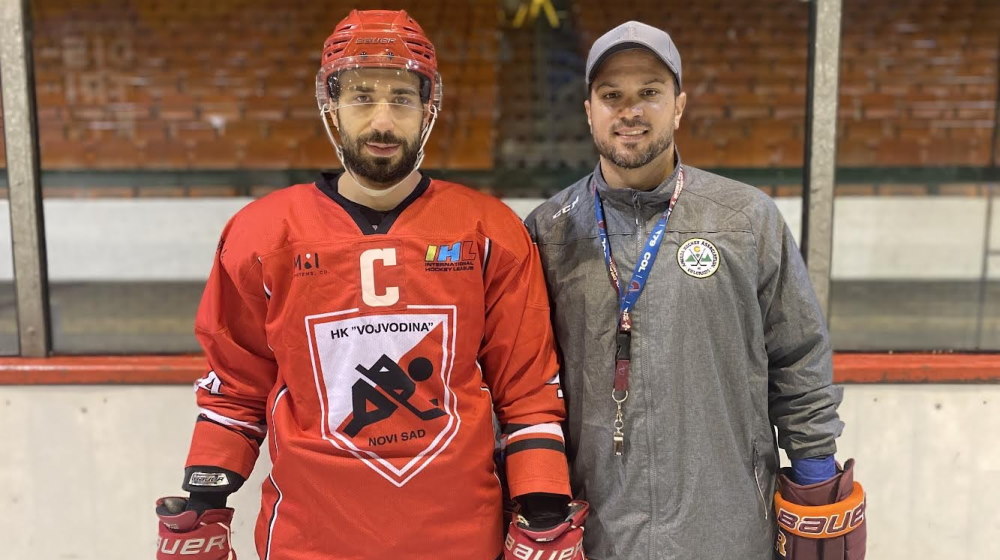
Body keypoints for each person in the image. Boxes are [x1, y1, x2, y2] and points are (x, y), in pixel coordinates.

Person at [154, 10, 586, 560]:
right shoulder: (261, 236)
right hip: (308, 542)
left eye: (402, 99)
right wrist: (202, 500)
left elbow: (526, 392)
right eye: (362, 97)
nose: (382, 120)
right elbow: (237, 386)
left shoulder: (489, 231)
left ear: (429, 109)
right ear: (331, 107)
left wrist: (543, 506)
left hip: (458, 540)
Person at [524, 21, 866, 560]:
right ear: (588, 109)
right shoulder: (549, 231)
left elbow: (798, 355)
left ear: (679, 106)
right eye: (611, 96)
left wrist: (816, 474)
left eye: (650, 93)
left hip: (729, 529)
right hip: (600, 531)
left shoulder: (745, 218)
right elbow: (521, 381)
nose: (630, 111)